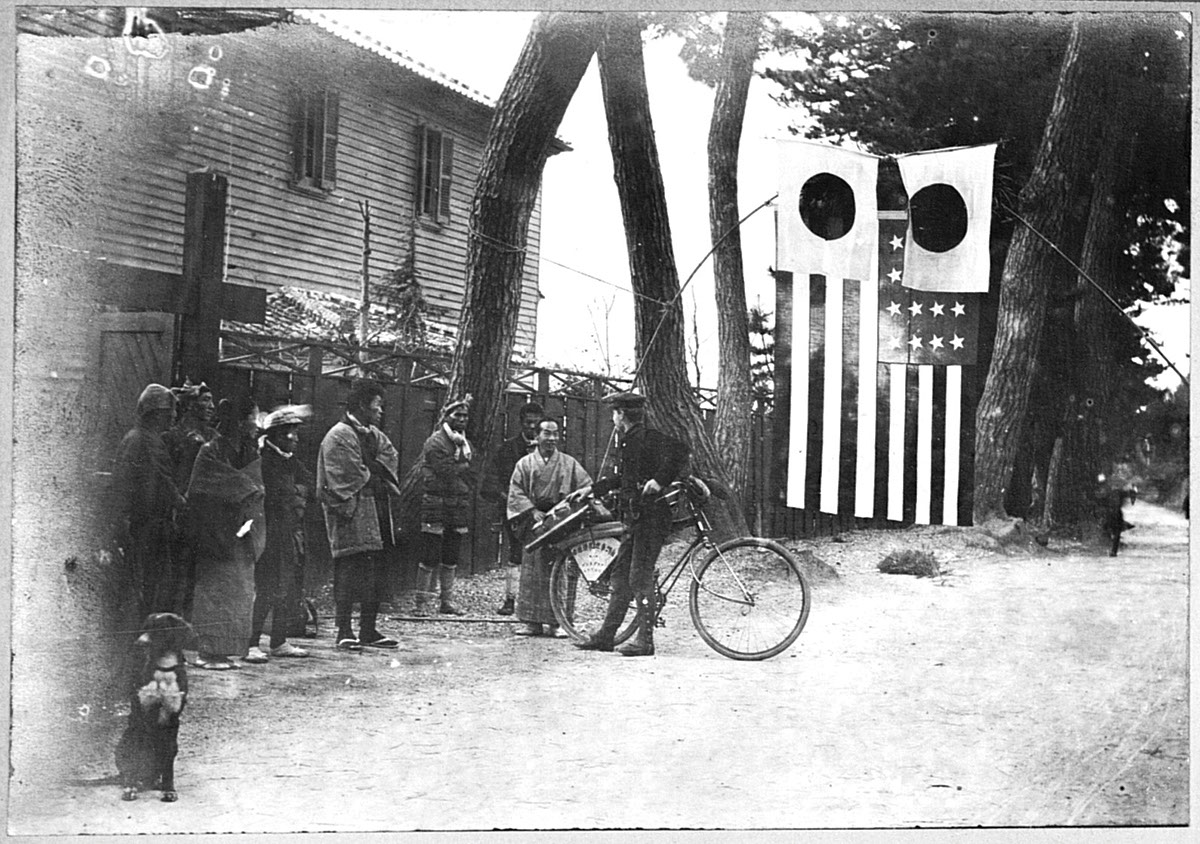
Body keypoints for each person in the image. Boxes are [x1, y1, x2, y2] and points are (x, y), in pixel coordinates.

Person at [569, 391, 688, 657]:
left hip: (652, 519)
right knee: (620, 576)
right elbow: (624, 478)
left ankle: (645, 640)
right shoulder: (631, 440)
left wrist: (659, 481)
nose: (613, 416)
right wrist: (591, 490)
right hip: (637, 519)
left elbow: (681, 451)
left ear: (621, 414)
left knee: (638, 576)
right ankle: (606, 636)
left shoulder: (647, 436)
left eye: (614, 412)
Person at [317, 381, 402, 650]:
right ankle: (344, 629)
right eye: (377, 406)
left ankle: (368, 629)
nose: (381, 412)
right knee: (349, 568)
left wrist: (370, 469)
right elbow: (346, 473)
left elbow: (390, 458)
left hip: (376, 510)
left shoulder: (375, 435)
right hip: (351, 512)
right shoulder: (338, 435)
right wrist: (373, 471)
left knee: (375, 569)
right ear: (363, 406)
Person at [185, 394, 266, 670]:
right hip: (215, 529)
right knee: (215, 589)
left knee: (238, 590)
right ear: (240, 422)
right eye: (252, 418)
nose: (256, 425)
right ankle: (207, 651)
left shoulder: (248, 449)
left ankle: (225, 650)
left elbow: (254, 484)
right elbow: (202, 484)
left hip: (239, 529)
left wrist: (250, 490)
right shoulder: (211, 449)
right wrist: (245, 487)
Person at [507, 419, 592, 638]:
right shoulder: (524, 464)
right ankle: (531, 622)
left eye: (555, 434)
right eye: (547, 433)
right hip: (534, 522)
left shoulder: (568, 463)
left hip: (560, 521)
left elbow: (585, 486)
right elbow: (516, 492)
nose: (552, 438)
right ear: (537, 436)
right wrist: (531, 511)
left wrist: (568, 509)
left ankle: (558, 622)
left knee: (559, 570)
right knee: (531, 571)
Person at [112, 383, 188, 619]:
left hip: (139, 524)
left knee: (143, 584)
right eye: (170, 412)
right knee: (152, 588)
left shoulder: (134, 438)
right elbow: (164, 482)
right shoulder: (149, 441)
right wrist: (183, 503)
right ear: (157, 413)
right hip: (151, 526)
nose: (174, 417)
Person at [245, 405, 314, 663]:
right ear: (277, 434)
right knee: (267, 587)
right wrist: (295, 494)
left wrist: (296, 494)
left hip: (290, 532)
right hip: (270, 532)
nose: (295, 438)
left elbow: (308, 486)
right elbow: (276, 494)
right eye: (290, 433)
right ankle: (252, 642)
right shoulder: (266, 460)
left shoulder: (289, 459)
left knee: (288, 586)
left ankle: (279, 640)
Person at [413, 395, 476, 617]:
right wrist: (461, 467)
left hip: (457, 504)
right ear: (446, 417)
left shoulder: (466, 443)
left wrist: (460, 468)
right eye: (457, 415)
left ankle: (446, 602)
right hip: (436, 503)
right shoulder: (435, 442)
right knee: (430, 554)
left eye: (465, 416)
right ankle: (421, 604)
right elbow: (446, 471)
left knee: (451, 555)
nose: (461, 419)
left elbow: (471, 473)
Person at [163, 379, 217, 617]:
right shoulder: (173, 437)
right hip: (183, 512)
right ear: (190, 404)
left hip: (208, 512)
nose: (211, 406)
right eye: (205, 400)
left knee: (203, 572)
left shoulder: (214, 437)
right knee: (179, 572)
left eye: (212, 400)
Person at [492, 402, 544, 615]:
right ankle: (510, 600)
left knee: (541, 553)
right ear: (521, 423)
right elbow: (494, 482)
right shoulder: (508, 448)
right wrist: (512, 502)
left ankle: (536, 604)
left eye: (536, 423)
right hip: (516, 510)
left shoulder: (548, 449)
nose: (532, 427)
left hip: (541, 510)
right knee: (516, 553)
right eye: (528, 423)